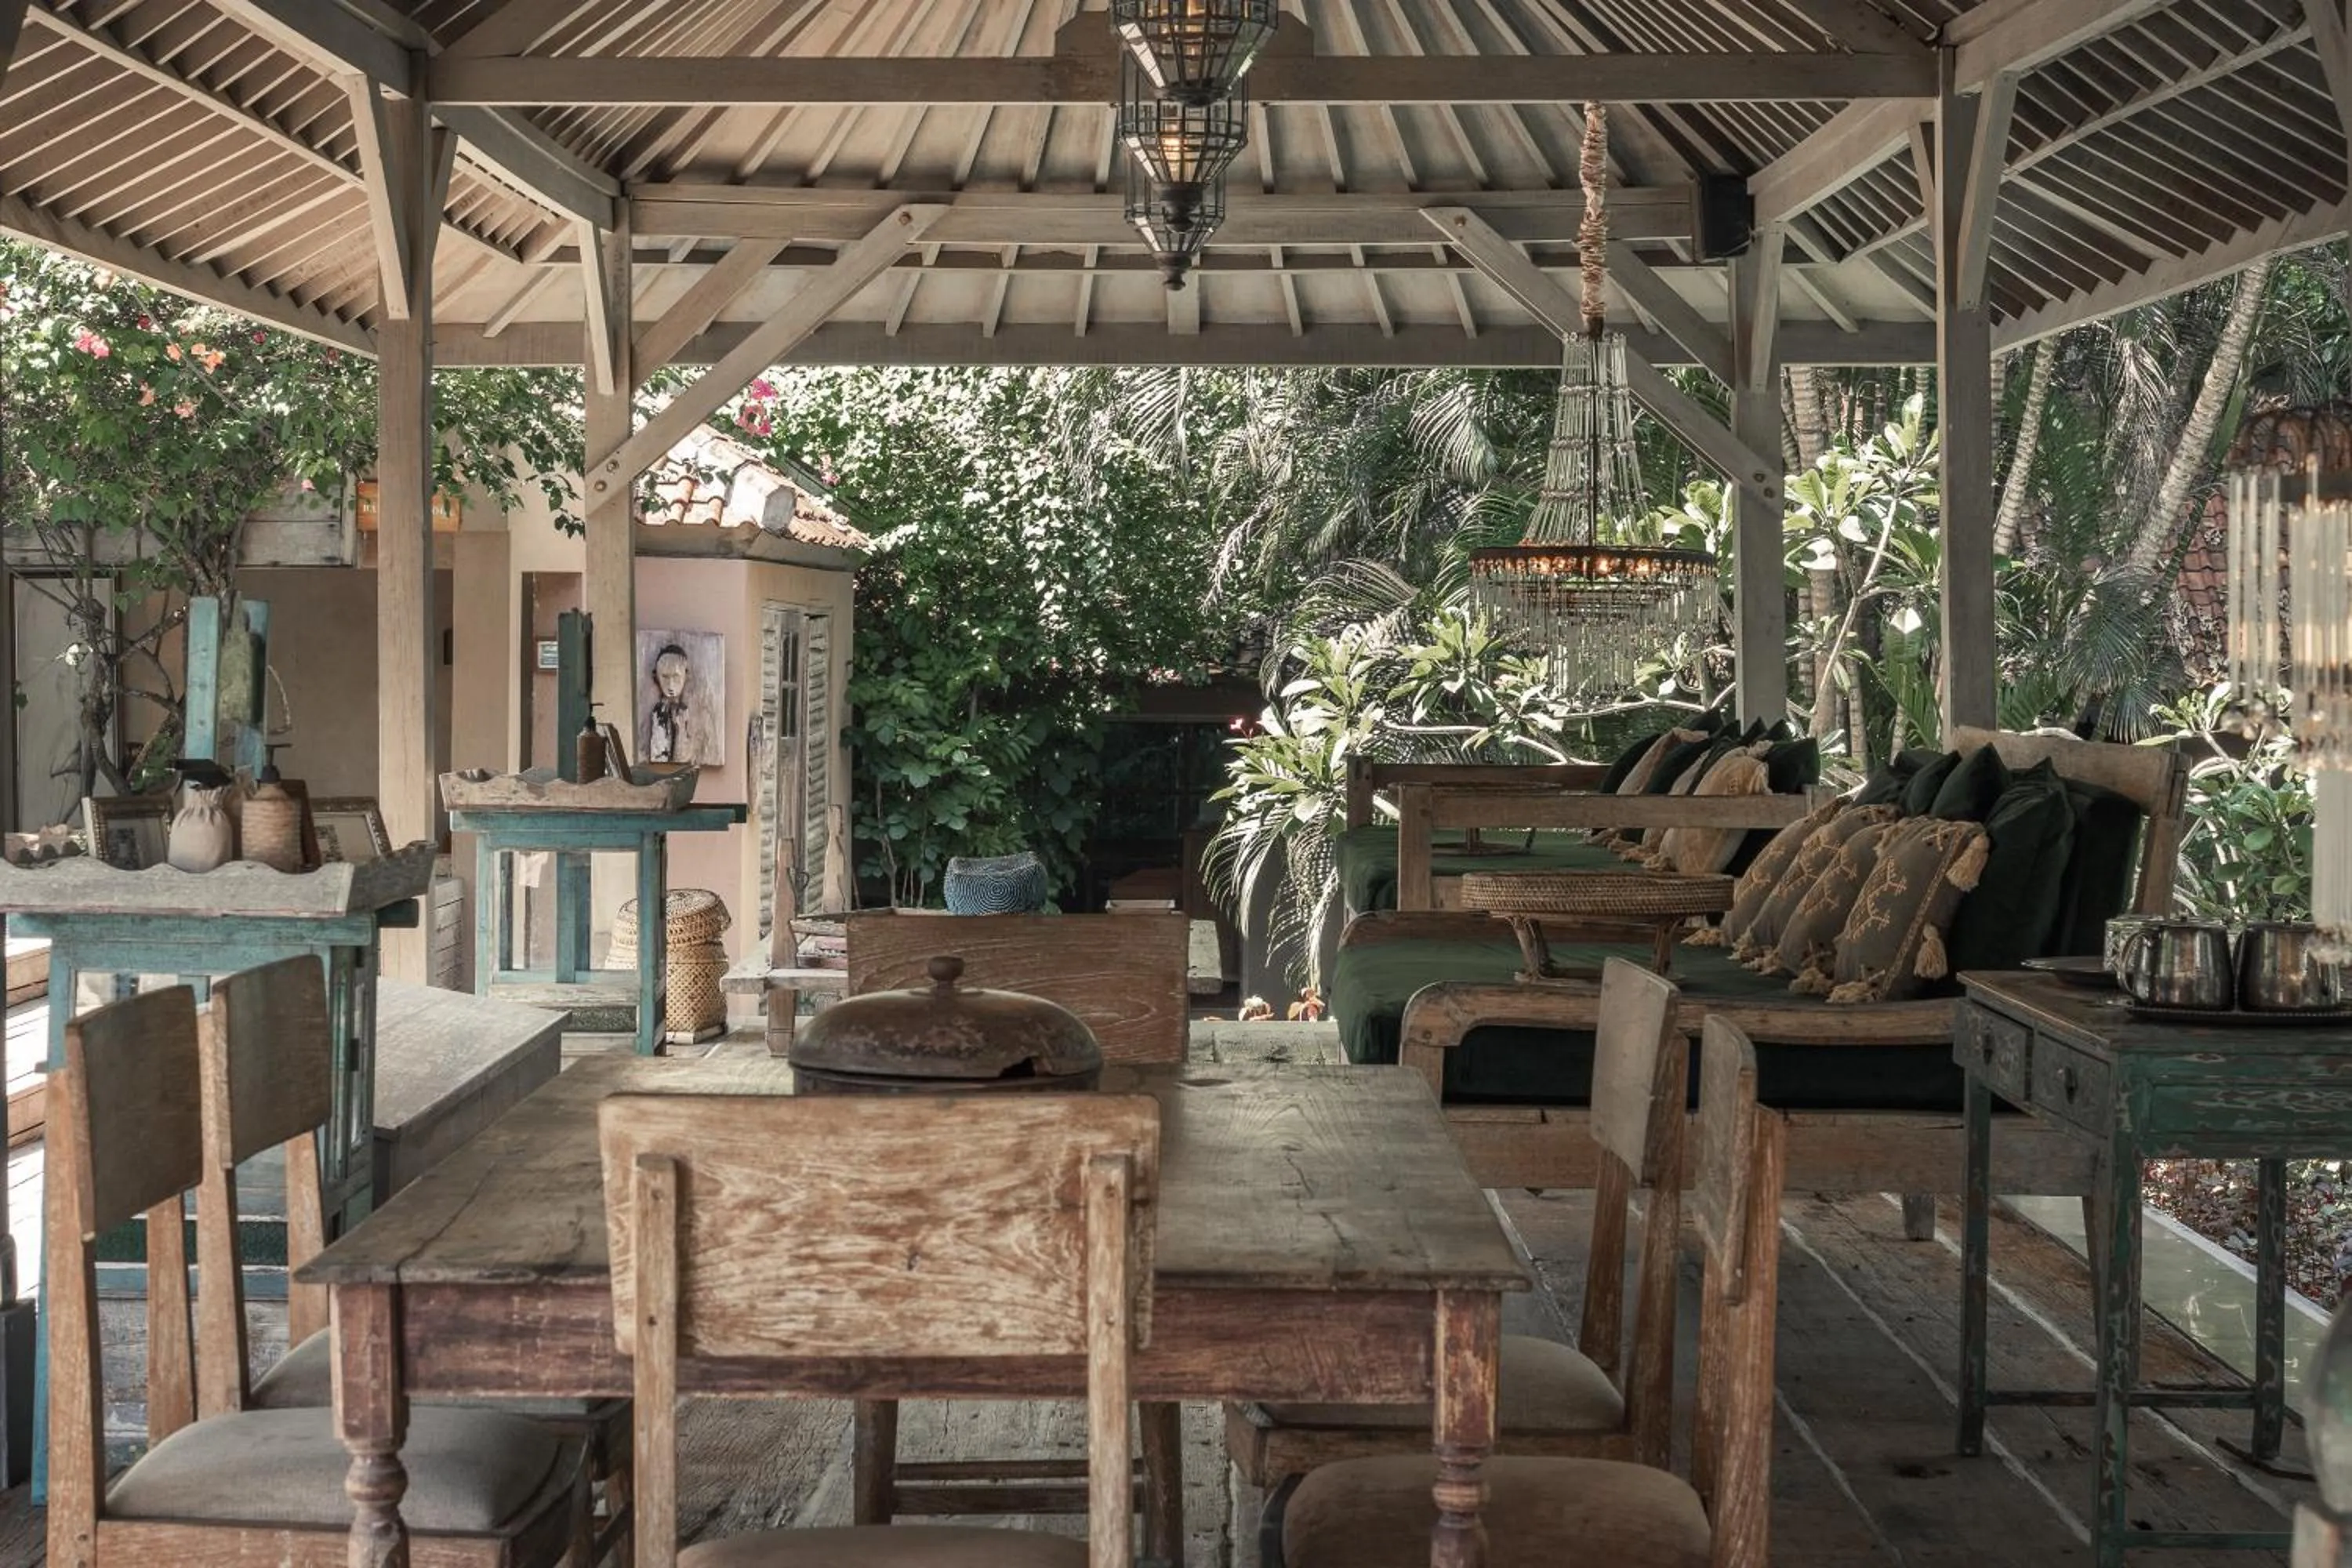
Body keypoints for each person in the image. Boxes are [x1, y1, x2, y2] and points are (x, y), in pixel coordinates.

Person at [641, 641, 718, 764]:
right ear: (656, 677)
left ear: (686, 676)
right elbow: (658, 757)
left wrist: (681, 728)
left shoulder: (698, 713)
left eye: (676, 677)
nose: (670, 685)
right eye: (665, 677)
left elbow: (684, 757)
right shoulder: (658, 711)